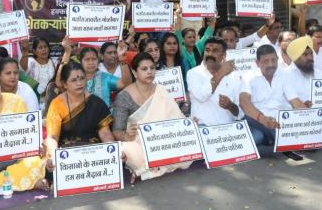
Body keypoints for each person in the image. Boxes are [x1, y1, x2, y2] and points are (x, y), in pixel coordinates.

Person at [112, 53, 191, 182]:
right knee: (127, 149)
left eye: (152, 68)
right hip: (138, 141)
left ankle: (146, 169)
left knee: (185, 146)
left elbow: (176, 117)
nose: (149, 72)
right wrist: (127, 135)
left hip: (162, 139)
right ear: (134, 72)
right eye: (144, 69)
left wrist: (188, 124)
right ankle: (153, 165)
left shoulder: (160, 90)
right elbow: (117, 131)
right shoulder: (124, 96)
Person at [239, 45, 308, 157]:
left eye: (273, 60)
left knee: (303, 137)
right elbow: (244, 102)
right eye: (265, 61)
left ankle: (269, 146)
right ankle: (274, 146)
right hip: (256, 118)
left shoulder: (284, 75)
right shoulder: (249, 76)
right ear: (257, 63)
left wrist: (316, 123)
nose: (271, 64)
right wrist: (263, 119)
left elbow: (296, 102)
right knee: (281, 138)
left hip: (278, 121)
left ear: (277, 60)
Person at [46, 62, 114, 149]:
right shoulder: (57, 105)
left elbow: (105, 133)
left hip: (94, 152)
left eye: (82, 78)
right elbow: (53, 137)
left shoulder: (96, 103)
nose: (79, 83)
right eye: (74, 80)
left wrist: (113, 151)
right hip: (66, 153)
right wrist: (53, 157)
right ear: (64, 84)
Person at [187, 38, 241, 126]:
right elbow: (201, 96)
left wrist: (230, 105)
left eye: (215, 51)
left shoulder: (233, 75)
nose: (210, 54)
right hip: (203, 127)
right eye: (207, 50)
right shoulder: (193, 73)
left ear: (224, 54)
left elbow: (238, 112)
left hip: (228, 128)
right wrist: (221, 73)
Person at [57, 45, 131, 107]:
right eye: (87, 59)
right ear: (80, 61)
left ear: (98, 61)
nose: (91, 62)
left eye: (94, 59)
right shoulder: (75, 78)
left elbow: (125, 83)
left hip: (105, 119)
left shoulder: (104, 77)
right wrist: (67, 53)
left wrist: (122, 59)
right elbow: (59, 84)